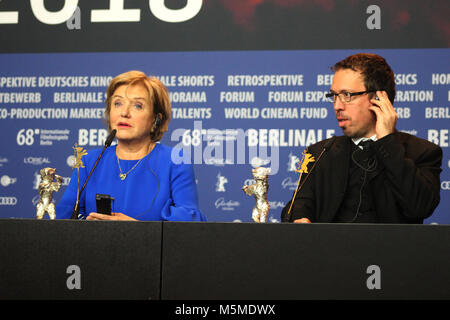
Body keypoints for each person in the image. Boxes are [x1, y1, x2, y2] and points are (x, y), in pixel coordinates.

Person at [281, 53, 442, 224]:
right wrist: (300, 217)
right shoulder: (320, 153)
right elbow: (297, 205)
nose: (337, 106)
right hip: (330, 249)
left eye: (347, 95)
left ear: (379, 99)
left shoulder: (422, 152)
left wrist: (387, 142)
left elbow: (420, 207)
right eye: (334, 96)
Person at [57, 70, 206, 221]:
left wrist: (135, 230)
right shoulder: (89, 161)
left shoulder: (175, 161)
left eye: (137, 106)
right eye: (118, 103)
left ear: (156, 120)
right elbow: (65, 218)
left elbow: (189, 222)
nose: (124, 112)